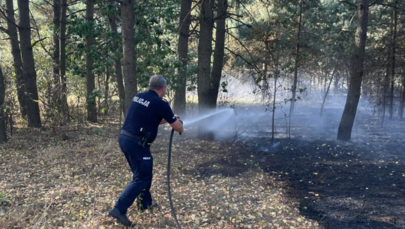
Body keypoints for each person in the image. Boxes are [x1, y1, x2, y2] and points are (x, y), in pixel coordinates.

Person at [109, 75, 184, 226]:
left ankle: (144, 204)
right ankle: (118, 209)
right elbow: (178, 127)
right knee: (142, 176)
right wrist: (177, 123)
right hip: (137, 143)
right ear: (163, 88)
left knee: (144, 173)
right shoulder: (160, 103)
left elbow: (154, 117)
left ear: (150, 86)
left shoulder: (140, 96)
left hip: (125, 139)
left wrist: (170, 118)